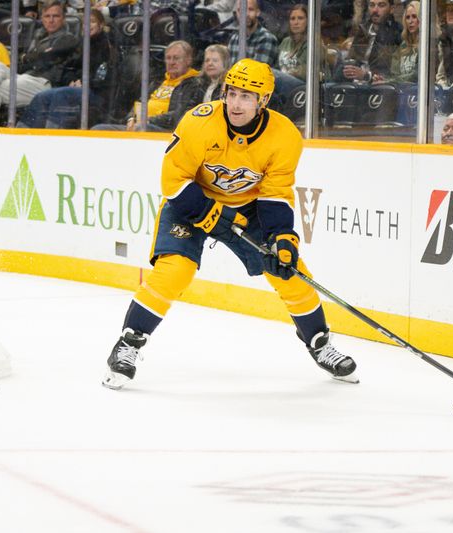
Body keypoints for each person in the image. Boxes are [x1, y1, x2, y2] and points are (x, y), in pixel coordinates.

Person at [101, 59, 358, 390]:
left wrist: (282, 236)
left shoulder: (284, 136)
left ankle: (320, 345)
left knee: (290, 273)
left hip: (246, 210)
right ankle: (129, 344)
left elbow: (276, 193)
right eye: (232, 93)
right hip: (189, 202)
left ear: (263, 101)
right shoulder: (199, 123)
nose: (235, 103)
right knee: (174, 270)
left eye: (246, 97)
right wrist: (207, 213)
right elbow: (173, 179)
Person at [0, 0, 81, 127]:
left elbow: (45, 58)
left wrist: (29, 58)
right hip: (25, 79)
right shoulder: (38, 36)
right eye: (47, 16)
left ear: (64, 19)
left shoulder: (69, 39)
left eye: (56, 16)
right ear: (42, 18)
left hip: (45, 83)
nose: (51, 20)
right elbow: (25, 59)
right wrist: (31, 58)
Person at [16, 9, 115, 129]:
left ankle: (52, 136)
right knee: (41, 96)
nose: (88, 25)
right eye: (85, 23)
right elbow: (68, 68)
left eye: (92, 21)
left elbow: (104, 77)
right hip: (78, 89)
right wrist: (71, 80)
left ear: (101, 25)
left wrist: (85, 82)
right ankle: (23, 134)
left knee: (61, 95)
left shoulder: (107, 46)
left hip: (97, 93)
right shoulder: (81, 44)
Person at [91, 40, 199, 131]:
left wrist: (148, 120)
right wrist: (131, 119)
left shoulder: (194, 83)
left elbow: (180, 114)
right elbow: (138, 103)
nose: (171, 62)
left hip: (164, 129)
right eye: (168, 58)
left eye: (176, 58)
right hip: (141, 125)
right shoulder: (158, 81)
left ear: (188, 60)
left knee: (141, 129)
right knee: (98, 129)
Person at [338, 0, 401, 83]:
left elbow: (390, 73)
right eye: (371, 5)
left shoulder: (397, 33)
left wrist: (367, 76)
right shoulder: (363, 30)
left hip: (378, 88)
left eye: (381, 5)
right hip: (356, 85)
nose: (375, 10)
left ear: (391, 9)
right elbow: (352, 60)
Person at [227, 0, 279, 66]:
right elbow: (227, 68)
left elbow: (257, 72)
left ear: (258, 12)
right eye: (240, 10)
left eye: (250, 9)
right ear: (236, 13)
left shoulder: (266, 38)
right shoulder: (234, 38)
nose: (245, 14)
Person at [381, 0, 420, 83]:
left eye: (414, 16)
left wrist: (389, 81)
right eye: (407, 17)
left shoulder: (427, 45)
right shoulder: (403, 46)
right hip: (402, 91)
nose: (410, 21)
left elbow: (417, 75)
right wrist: (384, 79)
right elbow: (394, 73)